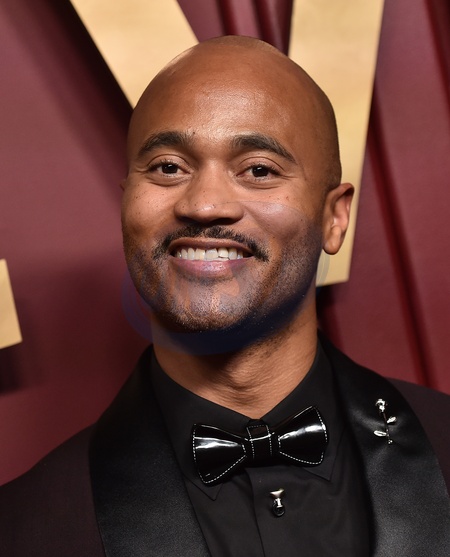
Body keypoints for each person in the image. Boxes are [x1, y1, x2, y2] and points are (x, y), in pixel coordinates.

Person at [1, 35, 449, 557]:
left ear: (334, 217)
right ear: (126, 204)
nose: (206, 205)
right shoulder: (21, 529)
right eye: (169, 167)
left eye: (258, 169)